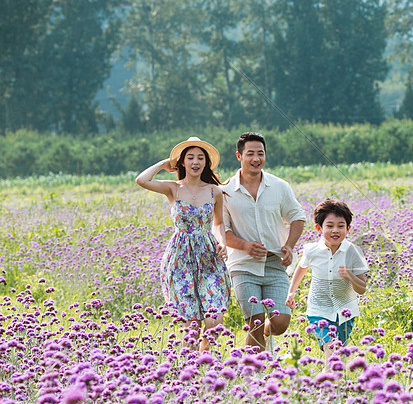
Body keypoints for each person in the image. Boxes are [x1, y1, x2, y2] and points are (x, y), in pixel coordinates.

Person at [135, 136, 230, 350]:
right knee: (191, 323)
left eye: (200, 158)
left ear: (206, 163)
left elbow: (219, 222)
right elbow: (141, 180)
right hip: (180, 258)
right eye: (190, 157)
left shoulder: (215, 191)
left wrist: (222, 242)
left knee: (214, 321)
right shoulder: (173, 188)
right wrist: (163, 164)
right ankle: (192, 369)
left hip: (208, 256)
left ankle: (205, 354)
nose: (195, 162)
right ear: (182, 162)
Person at [222, 132, 307, 351]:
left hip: (275, 264)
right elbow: (222, 231)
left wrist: (289, 245)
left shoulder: (279, 187)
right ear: (239, 156)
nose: (256, 159)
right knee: (255, 320)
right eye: (250, 154)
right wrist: (245, 245)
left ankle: (268, 336)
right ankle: (254, 374)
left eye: (260, 153)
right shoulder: (225, 191)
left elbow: (297, 217)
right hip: (242, 266)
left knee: (280, 322)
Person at [287, 198, 369, 359]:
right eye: (329, 226)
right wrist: (291, 292)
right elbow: (302, 268)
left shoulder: (353, 252)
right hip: (318, 311)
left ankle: (328, 382)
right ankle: (327, 382)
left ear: (348, 228)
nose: (335, 231)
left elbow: (362, 289)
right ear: (319, 228)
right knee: (332, 348)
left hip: (346, 313)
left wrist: (350, 276)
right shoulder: (312, 250)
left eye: (341, 226)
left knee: (337, 356)